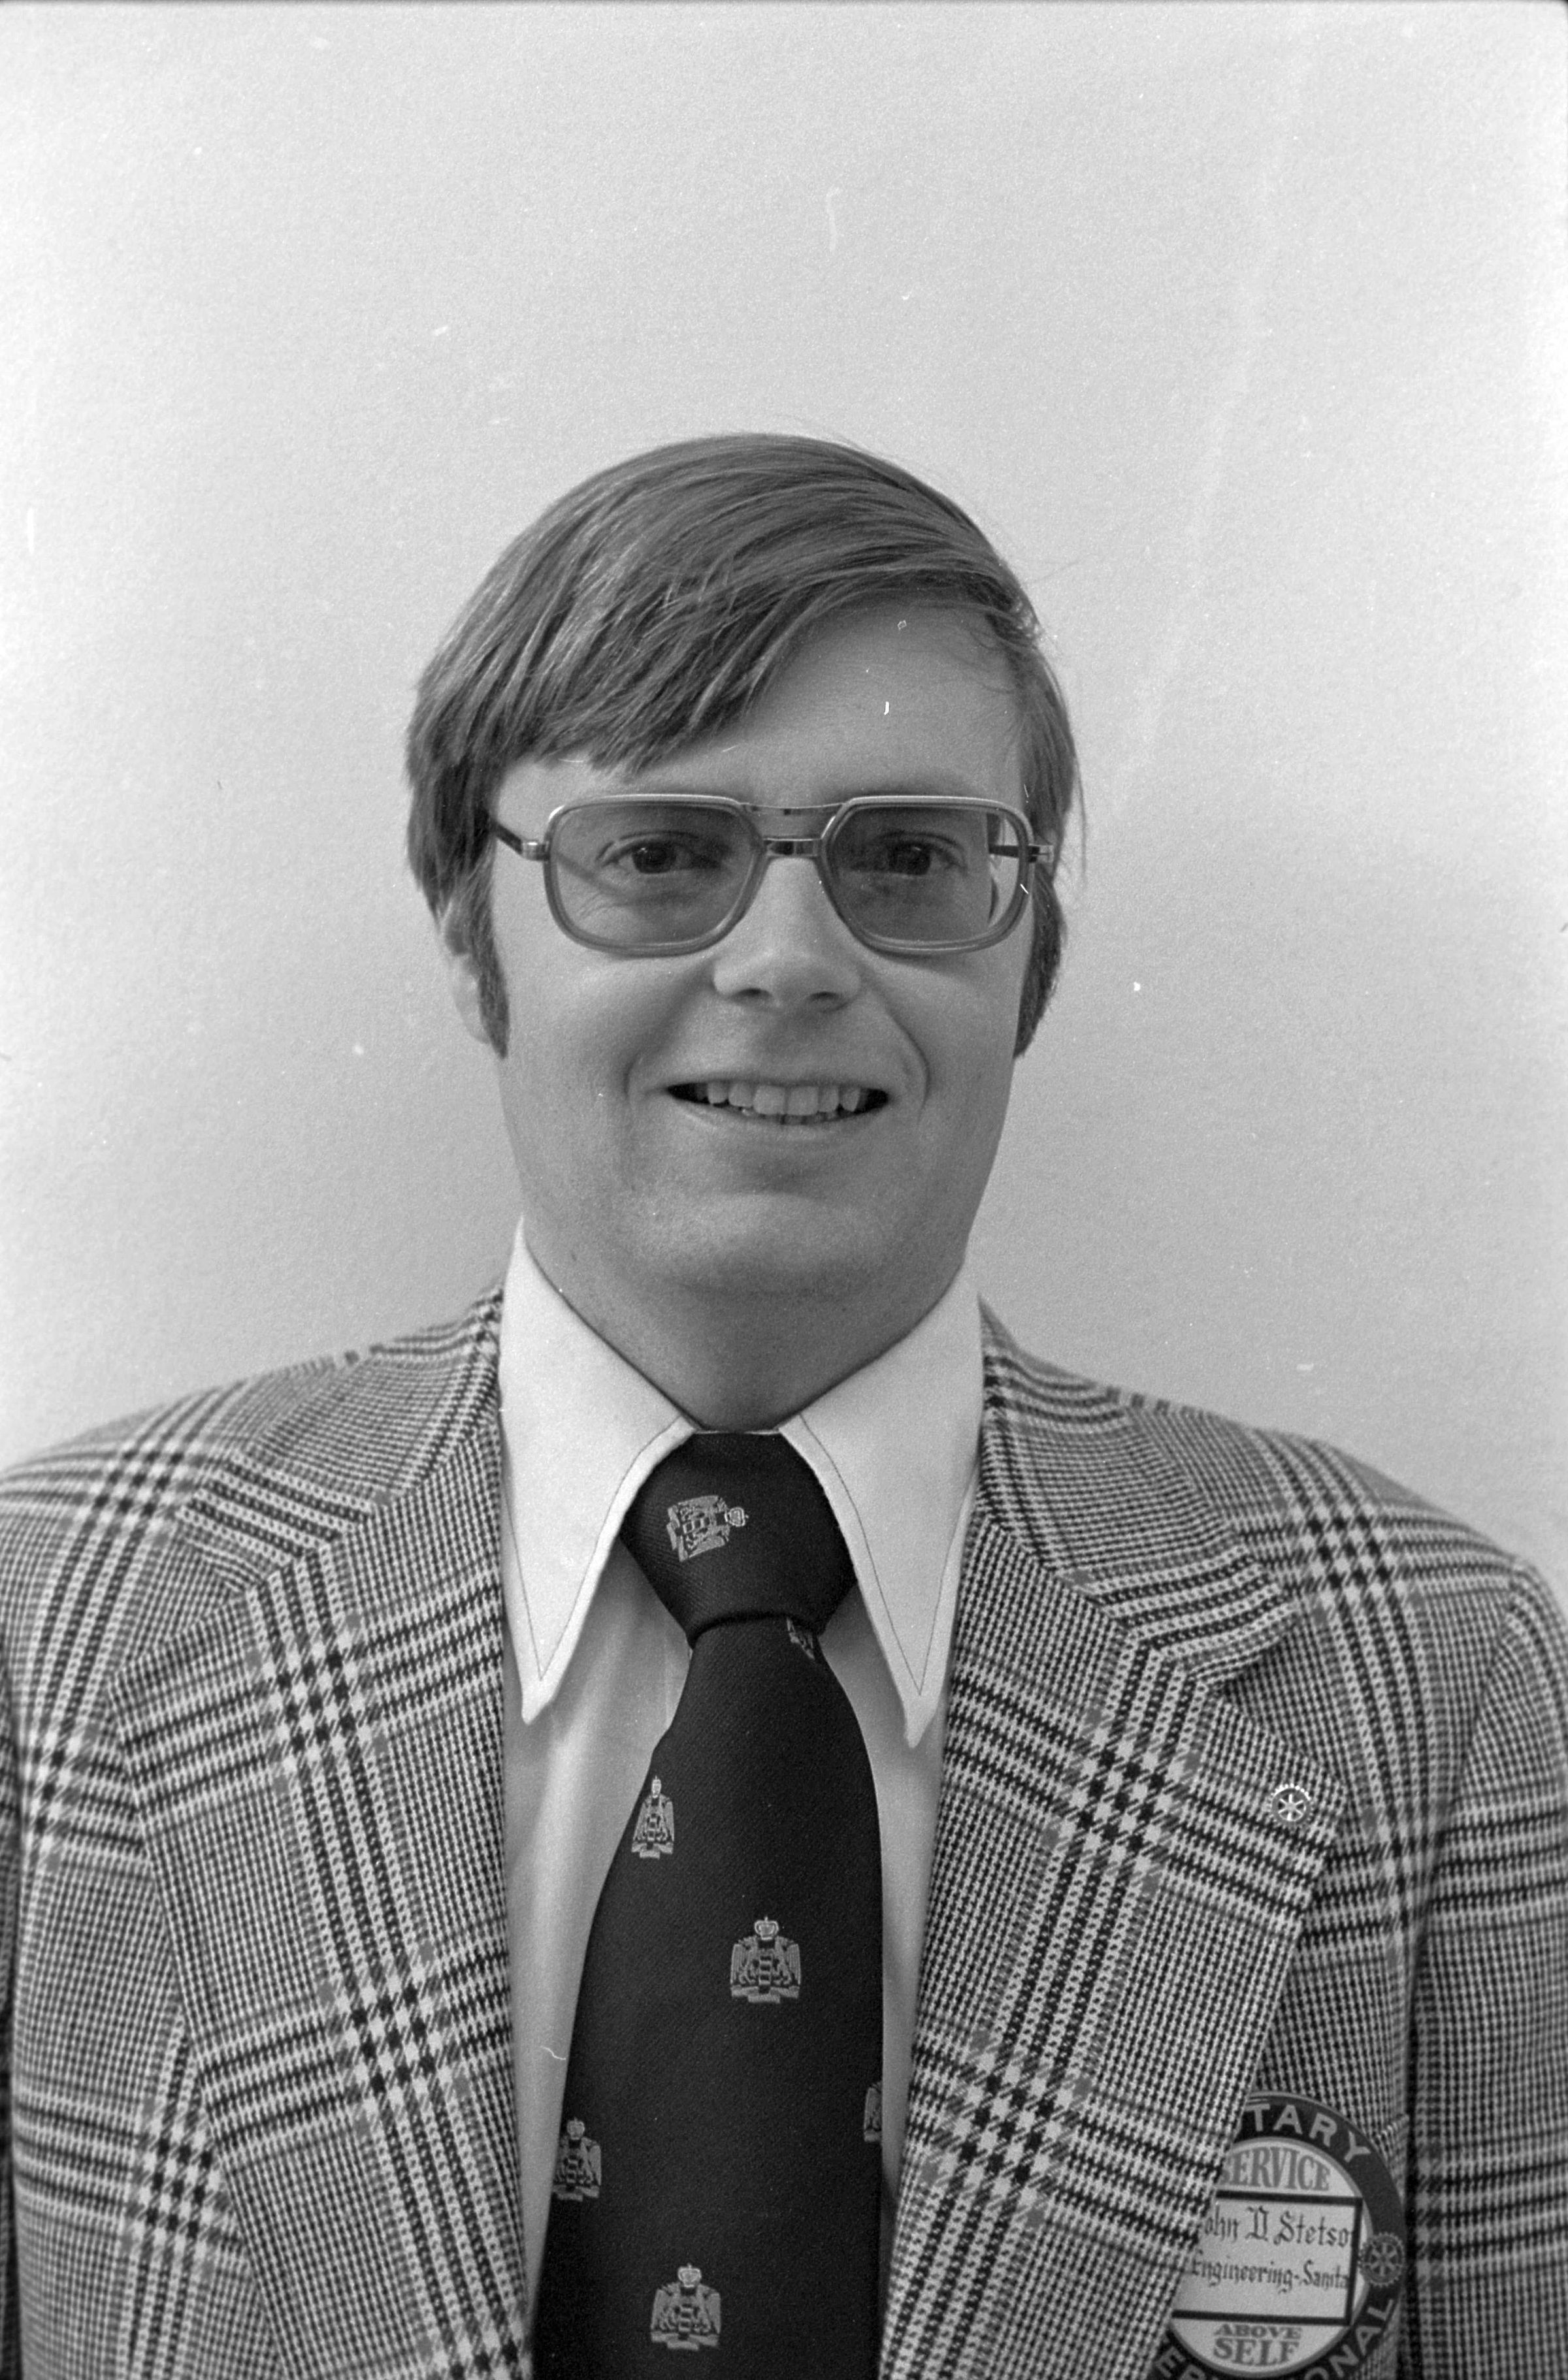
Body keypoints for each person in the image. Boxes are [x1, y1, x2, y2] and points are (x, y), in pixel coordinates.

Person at [1, 434, 1563, 2380]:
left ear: (1029, 961)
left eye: (910, 859)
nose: (791, 959)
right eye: (661, 854)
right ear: (475, 939)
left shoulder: (1437, 1683)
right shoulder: (48, 1630)